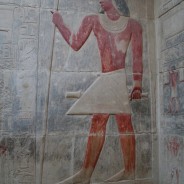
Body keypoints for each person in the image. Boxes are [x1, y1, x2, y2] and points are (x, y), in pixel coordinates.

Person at [52, 0, 143, 183]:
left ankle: (126, 171)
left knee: (119, 121)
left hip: (117, 77)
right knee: (105, 120)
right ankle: (90, 172)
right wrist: (60, 23)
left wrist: (137, 84)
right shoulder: (92, 19)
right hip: (107, 78)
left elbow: (137, 56)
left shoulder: (133, 24)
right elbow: (75, 43)